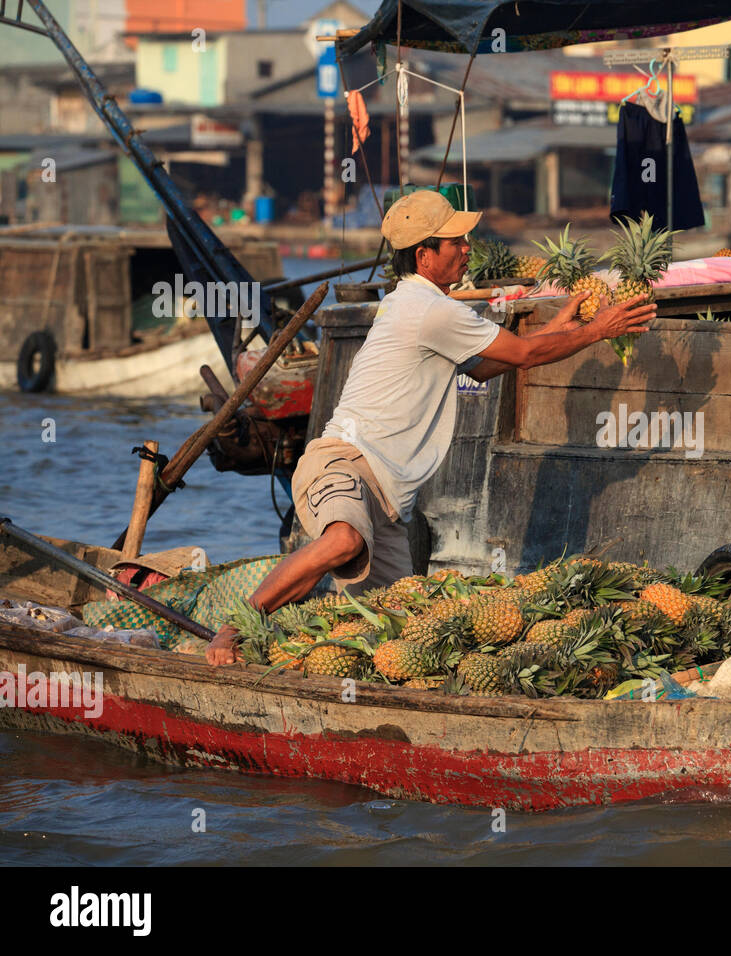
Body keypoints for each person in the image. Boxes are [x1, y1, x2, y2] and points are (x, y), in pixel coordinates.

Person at [206, 190, 654, 665]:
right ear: (424, 255)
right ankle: (231, 631)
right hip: (343, 463)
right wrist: (597, 329)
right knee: (343, 541)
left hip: (389, 500)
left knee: (397, 632)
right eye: (455, 243)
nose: (466, 250)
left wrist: (558, 329)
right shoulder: (429, 309)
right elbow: (523, 356)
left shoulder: (423, 306)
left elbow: (482, 367)